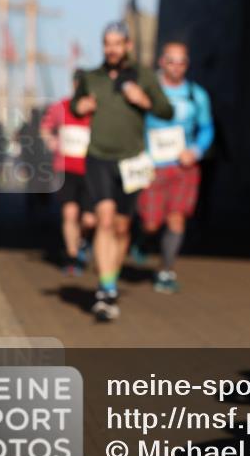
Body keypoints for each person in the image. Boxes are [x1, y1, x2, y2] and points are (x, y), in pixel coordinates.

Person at [71, 22, 174, 321]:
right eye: (107, 43)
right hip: (99, 157)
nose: (112, 49)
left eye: (117, 43)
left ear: (128, 45)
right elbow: (76, 103)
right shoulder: (92, 77)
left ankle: (110, 282)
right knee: (103, 219)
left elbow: (166, 110)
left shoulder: (143, 76)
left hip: (132, 161)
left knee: (121, 227)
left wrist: (144, 101)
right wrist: (81, 106)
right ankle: (105, 288)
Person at [136, 40, 214, 293]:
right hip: (152, 167)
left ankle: (166, 271)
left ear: (187, 65)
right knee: (151, 223)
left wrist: (197, 150)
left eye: (181, 61)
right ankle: (143, 239)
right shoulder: (147, 91)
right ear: (161, 62)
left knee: (176, 218)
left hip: (183, 167)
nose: (176, 66)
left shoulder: (196, 95)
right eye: (171, 60)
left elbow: (207, 128)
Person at [41, 70, 96, 276]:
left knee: (90, 219)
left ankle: (82, 240)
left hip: (91, 171)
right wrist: (51, 140)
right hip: (66, 169)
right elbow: (45, 127)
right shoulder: (61, 107)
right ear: (73, 85)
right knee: (69, 213)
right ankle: (72, 257)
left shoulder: (97, 110)